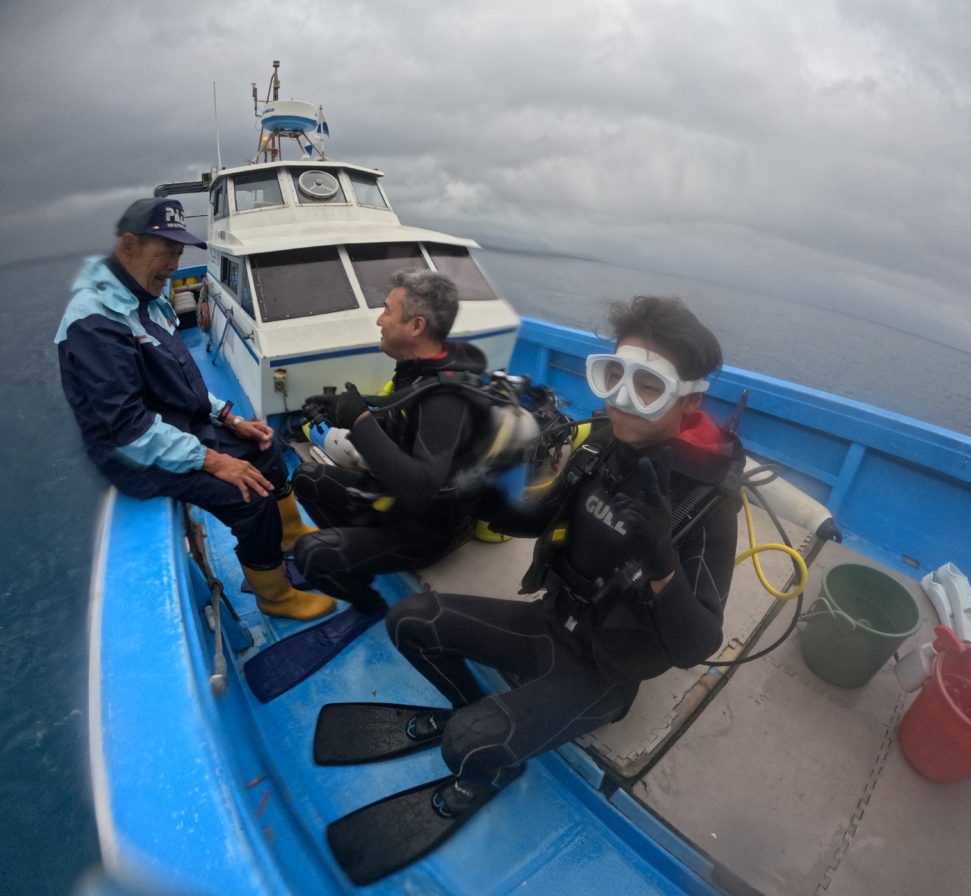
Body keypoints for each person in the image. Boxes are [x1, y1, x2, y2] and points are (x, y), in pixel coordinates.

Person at [385, 295, 744, 815]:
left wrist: (662, 561)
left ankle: (492, 755)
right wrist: (480, 487)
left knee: (467, 746)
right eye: (614, 375)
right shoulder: (602, 444)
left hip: (605, 669)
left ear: (689, 401)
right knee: (409, 620)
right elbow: (540, 517)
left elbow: (697, 643)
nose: (622, 398)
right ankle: (474, 707)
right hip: (550, 622)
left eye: (648, 385)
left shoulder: (707, 501)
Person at [55, 197, 333, 621]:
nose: (174, 265)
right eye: (166, 252)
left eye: (178, 252)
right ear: (129, 246)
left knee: (265, 447)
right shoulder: (95, 321)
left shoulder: (148, 299)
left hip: (177, 429)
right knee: (249, 494)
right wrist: (214, 460)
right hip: (136, 454)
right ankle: (275, 596)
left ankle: (290, 534)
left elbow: (183, 384)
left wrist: (230, 419)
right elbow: (125, 428)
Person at [291, 268, 489, 616]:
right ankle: (357, 552)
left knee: (310, 552)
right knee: (306, 477)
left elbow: (421, 491)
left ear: (416, 326)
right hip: (392, 498)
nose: (379, 320)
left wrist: (360, 422)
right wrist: (348, 407)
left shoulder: (446, 398)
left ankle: (369, 605)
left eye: (386, 311)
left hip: (427, 529)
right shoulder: (418, 372)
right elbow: (403, 414)